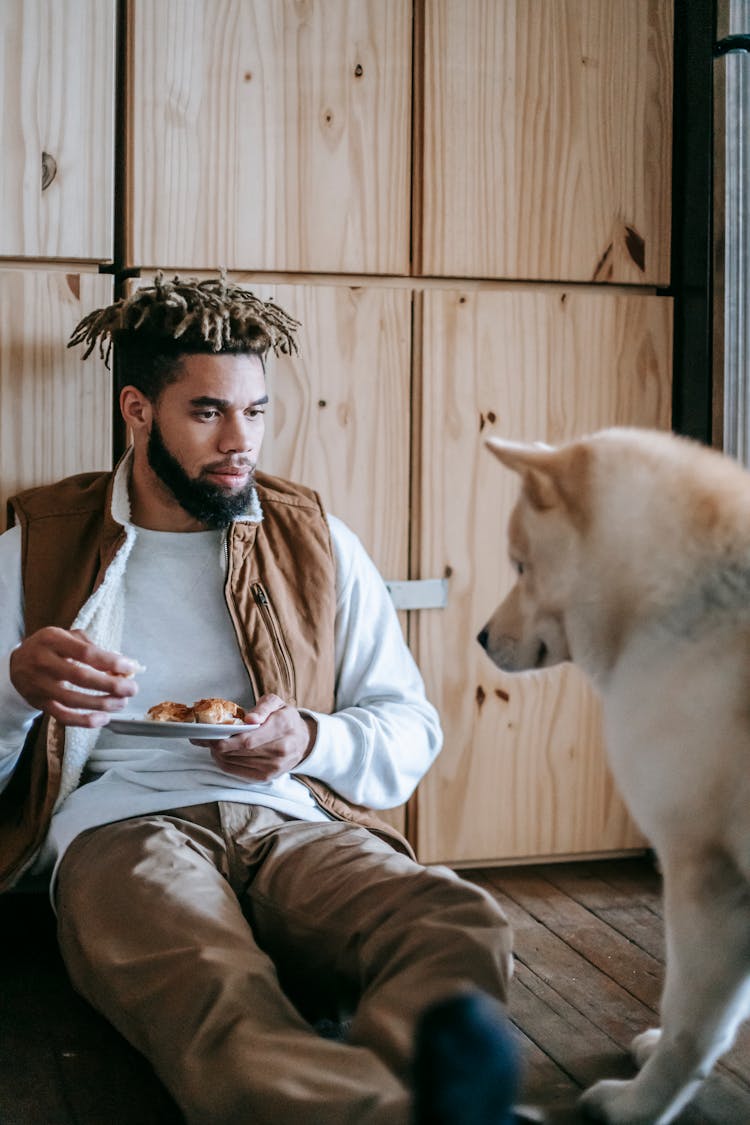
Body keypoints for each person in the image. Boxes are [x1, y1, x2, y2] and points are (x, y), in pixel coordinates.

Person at [0, 273, 521, 1125]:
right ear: (139, 410)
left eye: (258, 411)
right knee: (207, 980)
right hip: (121, 830)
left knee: (454, 917)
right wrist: (16, 692)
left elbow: (409, 727)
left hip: (289, 818)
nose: (241, 441)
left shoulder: (314, 538)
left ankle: (428, 1086)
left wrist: (309, 739)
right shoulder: (38, 543)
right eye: (209, 412)